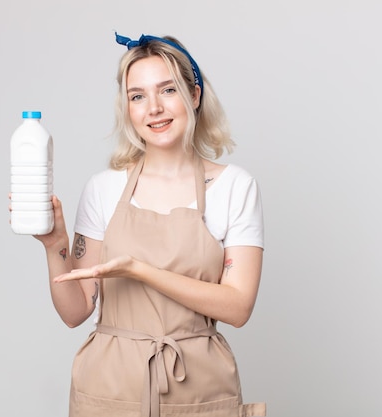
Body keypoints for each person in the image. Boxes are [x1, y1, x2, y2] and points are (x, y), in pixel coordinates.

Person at [30, 33, 265, 417]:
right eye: (137, 96)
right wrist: (55, 245)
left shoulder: (234, 187)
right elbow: (75, 312)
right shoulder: (104, 188)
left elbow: (238, 307)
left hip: (199, 386)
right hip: (109, 387)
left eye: (167, 90)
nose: (153, 108)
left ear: (194, 95)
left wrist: (140, 270)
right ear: (127, 109)